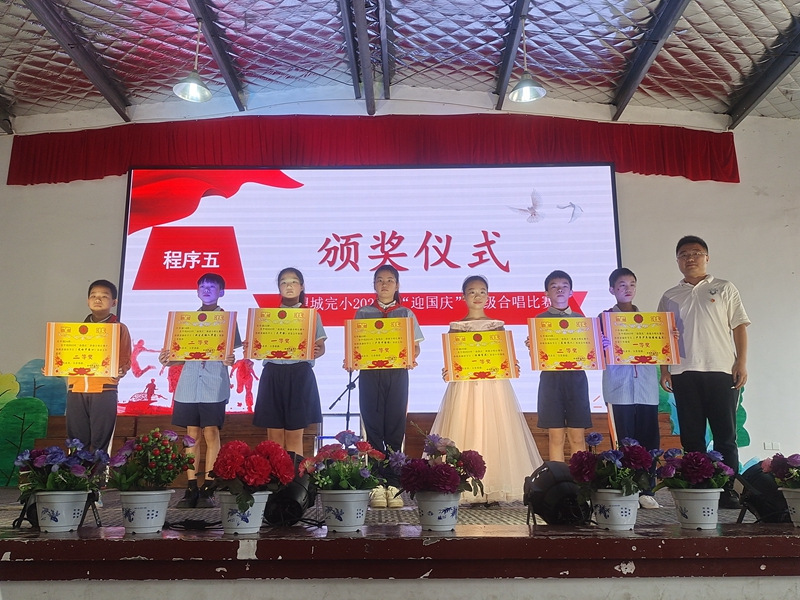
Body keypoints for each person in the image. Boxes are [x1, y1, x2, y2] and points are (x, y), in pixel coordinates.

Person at [430, 275, 543, 505]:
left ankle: (494, 487)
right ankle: (465, 487)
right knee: (465, 426)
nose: (477, 296)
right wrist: (449, 370)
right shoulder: (456, 327)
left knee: (495, 430)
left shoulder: (497, 325)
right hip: (465, 388)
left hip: (494, 387)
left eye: (482, 291)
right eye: (472, 292)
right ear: (463, 296)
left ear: (488, 296)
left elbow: (503, 355)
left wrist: (512, 364)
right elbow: (453, 358)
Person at [658, 236, 750, 509]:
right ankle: (698, 487)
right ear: (677, 261)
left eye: (696, 253)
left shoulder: (724, 288)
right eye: (684, 254)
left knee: (725, 435)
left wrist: (741, 362)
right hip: (683, 372)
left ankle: (728, 489)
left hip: (721, 370)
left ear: (707, 258)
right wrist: (665, 370)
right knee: (692, 435)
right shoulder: (669, 296)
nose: (690, 258)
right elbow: (663, 336)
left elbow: (739, 326)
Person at [159, 273, 240, 509]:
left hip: (214, 384)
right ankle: (191, 487)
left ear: (221, 292)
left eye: (212, 287)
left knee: (211, 433)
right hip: (188, 384)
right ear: (197, 291)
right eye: (202, 286)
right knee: (191, 434)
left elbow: (230, 355)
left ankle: (209, 487)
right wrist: (167, 360)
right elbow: (179, 357)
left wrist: (229, 360)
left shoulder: (227, 321)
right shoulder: (186, 322)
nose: (206, 290)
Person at [352, 265, 423, 509]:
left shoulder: (406, 313)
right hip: (370, 374)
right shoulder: (363, 313)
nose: (385, 284)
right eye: (380, 280)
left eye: (390, 280)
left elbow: (416, 347)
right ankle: (374, 483)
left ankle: (393, 484)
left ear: (397, 285)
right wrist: (352, 358)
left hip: (397, 374)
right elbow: (356, 344)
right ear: (374, 285)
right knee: (372, 430)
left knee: (394, 429)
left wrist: (411, 355)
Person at [600, 268, 661, 509]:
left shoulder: (649, 322)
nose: (627, 288)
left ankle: (647, 490)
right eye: (622, 285)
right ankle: (626, 488)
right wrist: (601, 344)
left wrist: (669, 337)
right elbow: (593, 353)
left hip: (646, 387)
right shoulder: (603, 319)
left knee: (649, 440)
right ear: (612, 290)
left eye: (632, 284)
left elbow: (662, 348)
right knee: (623, 442)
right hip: (619, 389)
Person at [251, 268, 326, 456]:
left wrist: (317, 351)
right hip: (272, 374)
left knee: (294, 436)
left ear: (302, 286)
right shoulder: (268, 317)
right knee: (274, 436)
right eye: (284, 282)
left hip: (299, 375)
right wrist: (252, 347)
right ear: (279, 288)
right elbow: (258, 353)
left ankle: (294, 475)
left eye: (293, 282)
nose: (289, 286)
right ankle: (275, 474)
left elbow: (321, 347)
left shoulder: (311, 315)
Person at [528, 270, 592, 463]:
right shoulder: (540, 320)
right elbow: (537, 356)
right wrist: (532, 346)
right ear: (546, 293)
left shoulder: (581, 320)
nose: (560, 290)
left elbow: (589, 352)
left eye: (564, 286)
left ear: (571, 291)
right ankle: (559, 478)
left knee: (577, 437)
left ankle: (579, 478)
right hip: (551, 381)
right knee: (555, 437)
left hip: (576, 380)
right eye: (554, 287)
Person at [65, 279, 132, 453]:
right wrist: (54, 367)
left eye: (104, 296)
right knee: (76, 442)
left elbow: (125, 357)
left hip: (105, 389)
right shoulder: (75, 331)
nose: (97, 299)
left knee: (100, 444)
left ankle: (99, 472)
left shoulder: (119, 329)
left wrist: (120, 371)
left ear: (114, 302)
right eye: (93, 296)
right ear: (87, 301)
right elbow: (65, 357)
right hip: (76, 389)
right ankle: (77, 472)